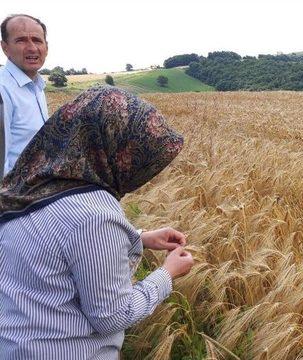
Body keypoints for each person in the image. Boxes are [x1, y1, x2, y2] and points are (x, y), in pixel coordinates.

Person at [0, 85, 194, 359]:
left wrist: (140, 238)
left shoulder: (33, 187)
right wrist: (167, 274)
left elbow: (56, 246)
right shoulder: (95, 217)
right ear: (116, 150)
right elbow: (113, 315)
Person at [0, 14, 49, 175]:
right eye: (21, 40)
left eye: (37, 40)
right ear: (5, 47)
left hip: (36, 189)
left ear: (46, 48)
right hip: (15, 195)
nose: (32, 48)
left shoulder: (37, 87)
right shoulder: (3, 89)